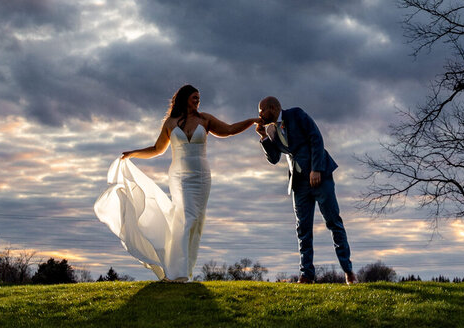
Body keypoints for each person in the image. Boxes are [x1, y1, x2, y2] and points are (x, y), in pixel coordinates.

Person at [95, 84, 254, 281]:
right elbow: (157, 149)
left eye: (199, 98)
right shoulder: (170, 123)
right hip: (179, 177)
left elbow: (229, 130)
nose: (198, 101)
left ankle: (184, 270)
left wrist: (252, 121)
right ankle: (178, 272)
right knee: (186, 219)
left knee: (195, 221)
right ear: (184, 98)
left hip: (202, 176)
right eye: (194, 97)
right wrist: (133, 154)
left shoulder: (205, 119)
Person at [257, 95, 356, 284]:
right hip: (298, 183)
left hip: (320, 176)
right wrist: (263, 138)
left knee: (334, 222)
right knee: (302, 228)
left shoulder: (296, 114)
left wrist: (316, 169)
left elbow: (316, 138)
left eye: (261, 110)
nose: (259, 115)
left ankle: (348, 271)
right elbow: (275, 158)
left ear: (272, 107)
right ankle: (306, 275)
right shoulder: (271, 130)